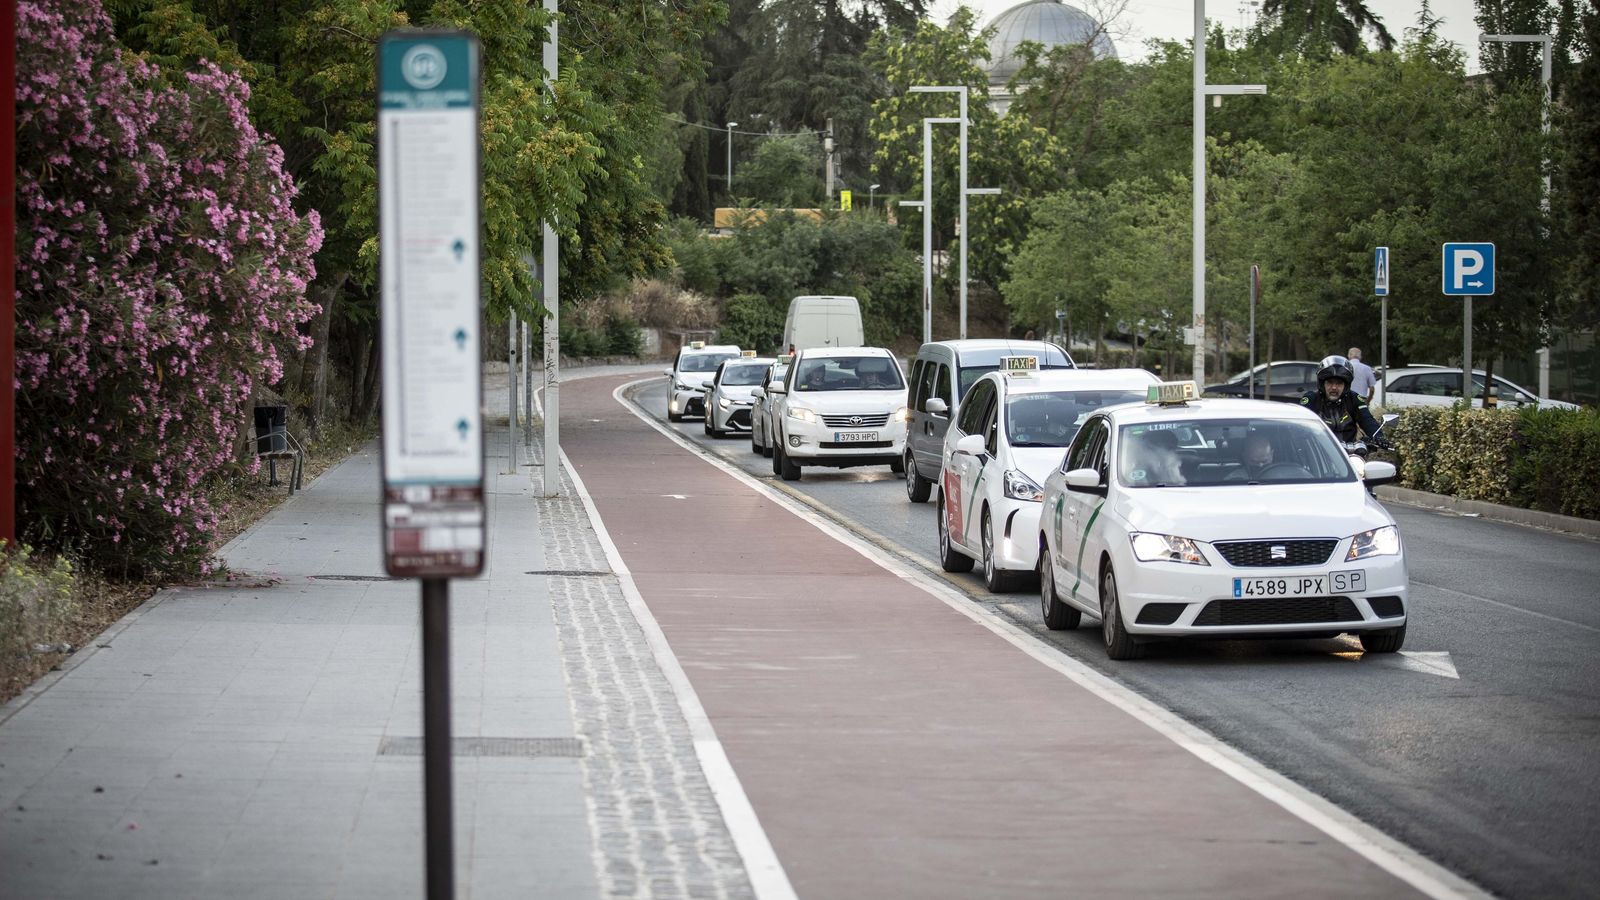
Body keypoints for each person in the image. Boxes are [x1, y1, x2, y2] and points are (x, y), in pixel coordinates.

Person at [1301, 355, 1389, 447]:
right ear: (1322, 384)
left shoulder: (1354, 398)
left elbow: (1367, 419)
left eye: (1339, 383)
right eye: (1330, 382)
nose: (1334, 387)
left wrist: (1379, 436)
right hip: (1318, 451)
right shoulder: (1311, 399)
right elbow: (1300, 424)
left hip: (1348, 453)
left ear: (1346, 385)